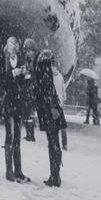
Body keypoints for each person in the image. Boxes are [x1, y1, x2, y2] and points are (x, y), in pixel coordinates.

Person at [0, 36, 29, 184]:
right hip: (8, 101)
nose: (13, 46)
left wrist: (24, 74)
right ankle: (9, 170)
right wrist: (12, 73)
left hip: (18, 102)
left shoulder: (20, 61)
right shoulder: (3, 60)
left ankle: (18, 170)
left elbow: (24, 82)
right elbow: (0, 80)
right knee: (10, 135)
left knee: (18, 136)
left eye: (15, 44)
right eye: (11, 44)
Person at [33, 48, 65, 188]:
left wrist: (52, 107)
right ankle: (55, 175)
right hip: (52, 109)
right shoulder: (52, 72)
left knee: (53, 143)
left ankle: (55, 176)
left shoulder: (45, 70)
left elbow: (48, 91)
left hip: (51, 110)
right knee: (54, 142)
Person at [20, 38, 38, 143]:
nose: (27, 53)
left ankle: (31, 135)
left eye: (29, 51)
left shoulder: (36, 62)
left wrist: (28, 74)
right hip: (26, 90)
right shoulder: (28, 62)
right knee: (26, 113)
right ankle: (28, 134)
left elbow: (36, 77)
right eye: (26, 51)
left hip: (31, 91)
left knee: (30, 113)